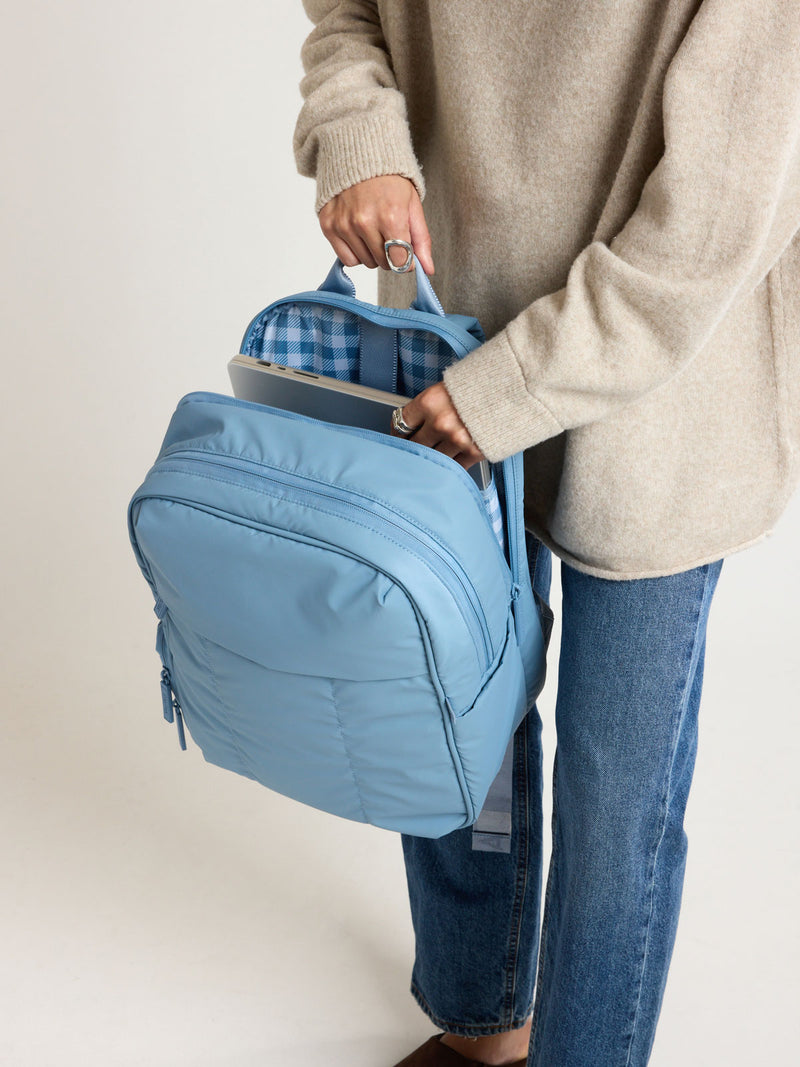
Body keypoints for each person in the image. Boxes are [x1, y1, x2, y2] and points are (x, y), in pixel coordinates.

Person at [292, 2, 800, 1065]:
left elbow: (711, 222)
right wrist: (360, 133)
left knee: (615, 796)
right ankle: (483, 1021)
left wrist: (509, 390)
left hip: (664, 396)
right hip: (447, 326)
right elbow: (345, 14)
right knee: (450, 724)